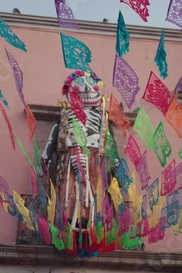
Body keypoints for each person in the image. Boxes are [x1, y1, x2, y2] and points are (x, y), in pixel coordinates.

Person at [40, 70, 111, 249]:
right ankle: (68, 224)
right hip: (70, 158)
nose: (87, 88)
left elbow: (110, 145)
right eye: (81, 84)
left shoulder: (102, 120)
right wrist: (47, 155)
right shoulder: (64, 118)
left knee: (91, 192)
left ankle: (90, 224)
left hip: (93, 159)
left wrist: (115, 162)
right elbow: (55, 136)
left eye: (90, 85)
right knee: (69, 192)